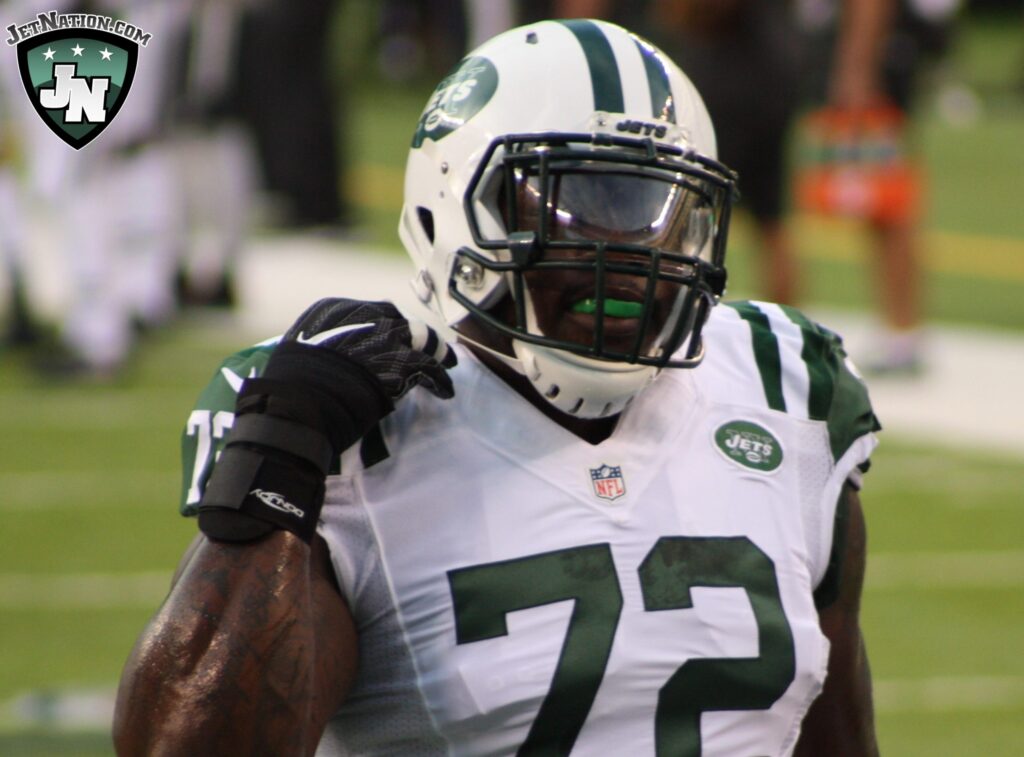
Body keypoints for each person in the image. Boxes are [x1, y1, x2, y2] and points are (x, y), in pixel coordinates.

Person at [114, 19, 881, 755]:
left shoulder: (783, 390)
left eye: (658, 212)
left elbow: (835, 735)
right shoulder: (356, 433)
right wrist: (279, 455)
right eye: (580, 205)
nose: (628, 255)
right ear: (452, 209)